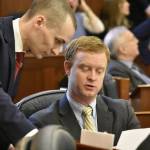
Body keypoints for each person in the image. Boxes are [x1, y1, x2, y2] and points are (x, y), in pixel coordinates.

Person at [29, 36, 140, 145]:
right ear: (68, 68)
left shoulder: (123, 112)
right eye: (85, 69)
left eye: (99, 71)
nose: (92, 77)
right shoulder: (43, 123)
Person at [0, 0, 76, 149]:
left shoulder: (18, 49)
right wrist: (30, 137)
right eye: (58, 41)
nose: (57, 51)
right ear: (39, 22)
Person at [104, 26, 150, 92]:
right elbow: (133, 96)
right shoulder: (116, 70)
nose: (137, 41)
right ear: (123, 49)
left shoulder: (132, 66)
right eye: (132, 39)